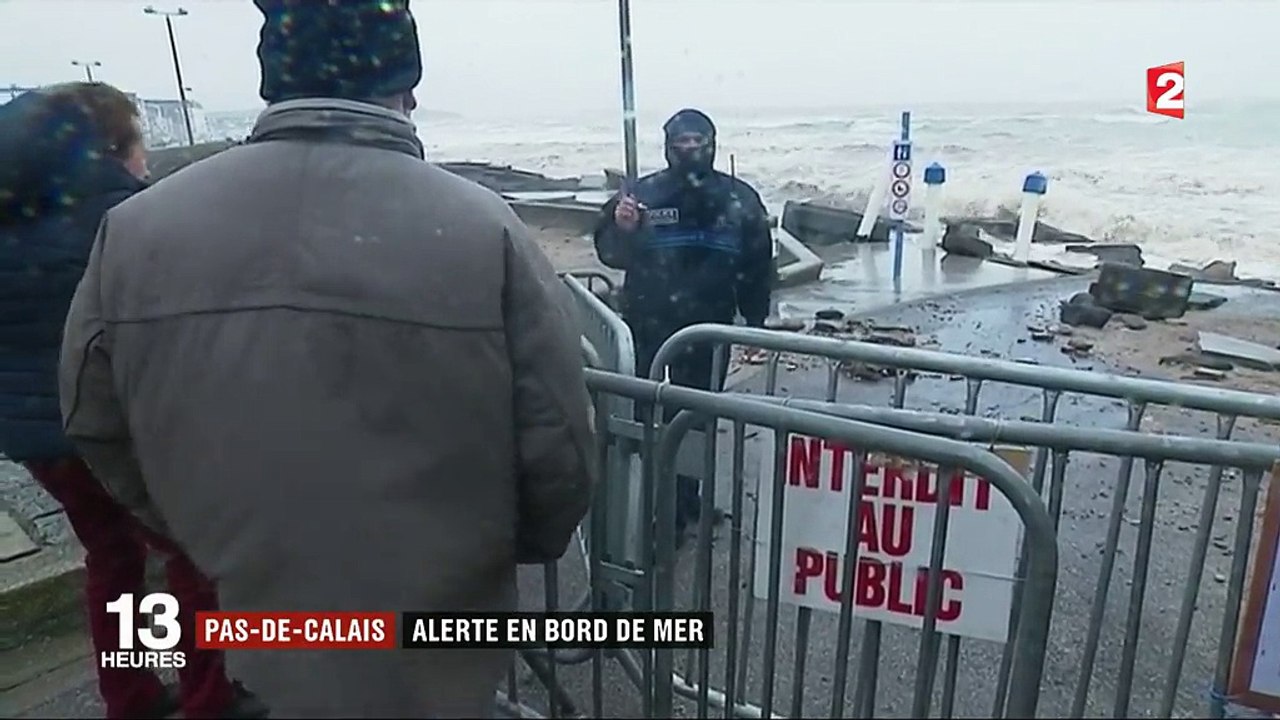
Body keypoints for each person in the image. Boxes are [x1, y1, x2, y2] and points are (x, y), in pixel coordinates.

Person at [58, 1, 596, 717]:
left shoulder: (134, 228)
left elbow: (93, 417)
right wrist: (504, 545)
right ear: (403, 87)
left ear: (270, 81)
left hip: (249, 610)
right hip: (432, 621)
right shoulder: (483, 227)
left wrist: (197, 528)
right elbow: (558, 442)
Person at [0, 83, 261, 719]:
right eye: (141, 145)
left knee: (112, 557)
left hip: (39, 440)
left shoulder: (11, 219)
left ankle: (131, 694)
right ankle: (209, 700)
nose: (146, 163)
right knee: (194, 558)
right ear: (113, 150)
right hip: (121, 429)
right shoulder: (130, 219)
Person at [593, 108, 774, 541]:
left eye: (699, 141)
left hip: (709, 327)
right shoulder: (642, 195)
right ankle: (649, 502)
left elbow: (758, 261)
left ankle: (686, 502)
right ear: (668, 145)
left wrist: (756, 321)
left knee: (697, 417)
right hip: (648, 321)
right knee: (644, 413)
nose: (691, 149)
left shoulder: (740, 197)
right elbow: (610, 253)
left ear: (713, 143)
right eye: (682, 142)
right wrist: (623, 228)